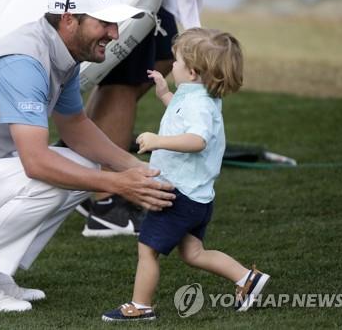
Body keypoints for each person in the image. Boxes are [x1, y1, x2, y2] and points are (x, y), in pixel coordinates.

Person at [0, 0, 176, 313]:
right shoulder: (24, 60)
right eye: (104, 23)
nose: (115, 34)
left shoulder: (59, 51)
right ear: (69, 19)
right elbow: (36, 162)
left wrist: (139, 169)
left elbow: (76, 126)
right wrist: (119, 184)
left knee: (80, 166)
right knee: (50, 175)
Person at [101, 28, 271, 321]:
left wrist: (158, 141)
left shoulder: (199, 104)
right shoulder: (197, 97)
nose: (173, 66)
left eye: (176, 62)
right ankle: (247, 279)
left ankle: (140, 306)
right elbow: (183, 117)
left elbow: (197, 140)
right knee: (193, 253)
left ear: (191, 71)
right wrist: (165, 93)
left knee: (147, 250)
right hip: (197, 197)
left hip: (178, 194)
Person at [78, 0, 204, 238]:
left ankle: (81, 153)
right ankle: (108, 207)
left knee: (165, 54)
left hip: (153, 1)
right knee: (124, 78)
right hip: (129, 1)